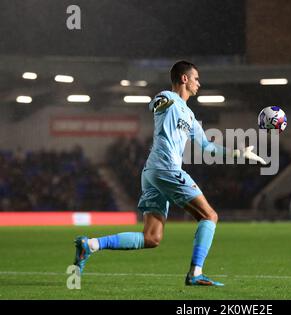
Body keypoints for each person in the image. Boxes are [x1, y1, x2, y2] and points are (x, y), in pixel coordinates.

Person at [73, 61, 266, 286]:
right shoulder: (168, 98)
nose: (198, 83)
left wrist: (239, 153)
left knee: (151, 238)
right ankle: (195, 273)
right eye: (196, 78)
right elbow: (156, 103)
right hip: (166, 168)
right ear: (184, 79)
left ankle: (91, 245)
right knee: (209, 216)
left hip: (153, 172)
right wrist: (160, 102)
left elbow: (207, 147)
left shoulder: (190, 116)